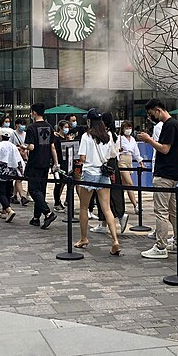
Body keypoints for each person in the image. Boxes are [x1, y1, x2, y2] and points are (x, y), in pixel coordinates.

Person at [138, 99, 178, 259]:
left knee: (161, 212)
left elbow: (164, 149)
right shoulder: (175, 125)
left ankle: (161, 246)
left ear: (157, 110)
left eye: (152, 114)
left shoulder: (169, 125)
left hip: (164, 173)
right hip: (173, 173)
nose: (152, 118)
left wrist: (149, 140)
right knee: (173, 212)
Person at [73, 109, 121, 255]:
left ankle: (83, 238)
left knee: (84, 207)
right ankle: (115, 240)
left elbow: (82, 158)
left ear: (89, 121)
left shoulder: (86, 136)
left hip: (89, 174)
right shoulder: (107, 136)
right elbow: (111, 154)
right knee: (107, 208)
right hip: (103, 173)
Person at [24, 103, 60, 229]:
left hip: (34, 162)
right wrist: (55, 163)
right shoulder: (49, 127)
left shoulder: (31, 128)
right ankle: (36, 217)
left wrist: (24, 147)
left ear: (34, 112)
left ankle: (47, 213)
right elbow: (52, 146)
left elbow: (31, 147)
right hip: (46, 162)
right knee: (41, 190)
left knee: (34, 190)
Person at [0, 131, 23, 222]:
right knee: (8, 191)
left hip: (0, 172)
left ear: (1, 137)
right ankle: (4, 211)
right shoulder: (12, 146)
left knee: (1, 192)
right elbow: (18, 159)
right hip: (11, 171)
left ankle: (8, 209)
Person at [118, 120, 143, 211]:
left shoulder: (132, 139)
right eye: (126, 128)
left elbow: (136, 152)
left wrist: (140, 161)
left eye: (129, 128)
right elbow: (115, 150)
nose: (128, 129)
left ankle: (120, 205)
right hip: (122, 160)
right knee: (130, 183)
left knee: (125, 185)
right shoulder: (119, 138)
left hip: (130, 160)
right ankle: (136, 205)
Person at [52, 120, 71, 211]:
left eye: (68, 127)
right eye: (65, 127)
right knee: (58, 183)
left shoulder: (67, 137)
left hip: (67, 162)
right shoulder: (56, 138)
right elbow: (54, 149)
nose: (67, 129)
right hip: (58, 162)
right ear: (60, 127)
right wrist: (55, 163)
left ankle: (59, 201)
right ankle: (56, 202)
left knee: (64, 182)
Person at [11, 118, 30, 205]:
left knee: (19, 177)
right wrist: (18, 148)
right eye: (20, 124)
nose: (22, 126)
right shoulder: (13, 134)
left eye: (24, 124)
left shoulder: (26, 134)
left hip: (25, 157)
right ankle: (22, 196)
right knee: (19, 177)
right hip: (16, 158)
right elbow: (10, 145)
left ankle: (14, 195)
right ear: (16, 125)